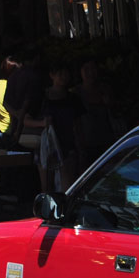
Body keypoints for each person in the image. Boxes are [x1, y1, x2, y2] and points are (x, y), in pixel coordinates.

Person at [43, 61, 86, 190]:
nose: (63, 77)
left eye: (65, 73)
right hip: (46, 147)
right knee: (47, 188)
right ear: (52, 75)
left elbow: (78, 126)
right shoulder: (43, 97)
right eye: (59, 73)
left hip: (68, 147)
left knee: (68, 188)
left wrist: (81, 149)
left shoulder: (73, 98)